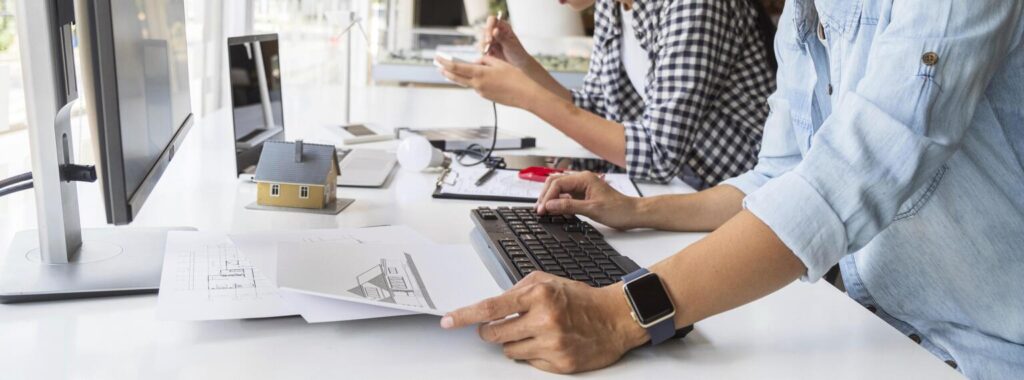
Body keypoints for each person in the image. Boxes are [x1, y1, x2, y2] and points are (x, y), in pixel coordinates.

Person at [440, 0, 1024, 377]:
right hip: (878, 332)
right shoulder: (804, 14)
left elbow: (854, 173)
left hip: (985, 353)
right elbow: (778, 177)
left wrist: (620, 313)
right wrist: (636, 209)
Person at [435, 0, 778, 189]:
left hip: (734, 196)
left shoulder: (694, 5)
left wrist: (528, 96)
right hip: (678, 187)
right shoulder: (613, 6)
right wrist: (522, 64)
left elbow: (659, 153)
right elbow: (597, 112)